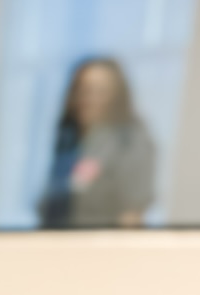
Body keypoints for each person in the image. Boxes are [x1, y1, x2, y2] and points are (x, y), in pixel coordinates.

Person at [39, 57, 155, 228]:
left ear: (116, 96)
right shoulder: (69, 139)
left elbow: (132, 213)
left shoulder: (130, 141)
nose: (88, 98)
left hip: (101, 241)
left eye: (99, 91)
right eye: (83, 89)